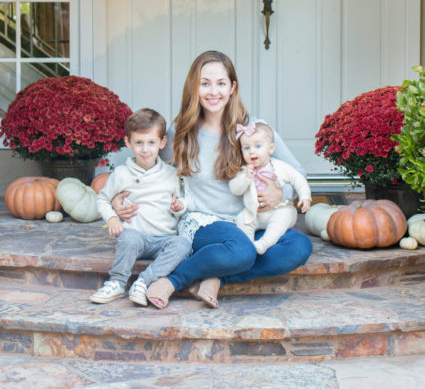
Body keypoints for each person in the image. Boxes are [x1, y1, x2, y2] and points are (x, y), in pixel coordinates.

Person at [112, 51, 313, 310]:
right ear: (194, 87)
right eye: (204, 83)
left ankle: (216, 277)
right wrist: (118, 195)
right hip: (204, 222)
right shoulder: (180, 132)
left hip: (250, 221)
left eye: (221, 83)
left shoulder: (254, 129)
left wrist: (280, 193)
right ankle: (173, 280)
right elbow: (144, 165)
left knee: (298, 246)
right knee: (241, 250)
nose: (213, 91)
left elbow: (297, 172)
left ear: (232, 87)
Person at [89, 108, 191, 306]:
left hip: (164, 239)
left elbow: (185, 200)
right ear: (128, 143)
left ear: (162, 143)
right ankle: (117, 282)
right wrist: (111, 218)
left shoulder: (171, 174)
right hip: (135, 236)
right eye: (139, 143)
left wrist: (180, 206)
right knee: (128, 238)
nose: (145, 149)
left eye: (151, 143)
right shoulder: (121, 174)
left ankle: (144, 281)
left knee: (183, 245)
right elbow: (102, 199)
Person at [231, 121, 312, 255]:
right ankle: (248, 247)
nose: (252, 151)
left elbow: (298, 179)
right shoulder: (244, 171)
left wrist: (305, 196)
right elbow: (235, 189)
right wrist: (245, 179)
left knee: (283, 218)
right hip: (254, 213)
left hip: (278, 209)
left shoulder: (280, 166)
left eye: (257, 146)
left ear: (271, 148)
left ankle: (264, 243)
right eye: (246, 148)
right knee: (242, 220)